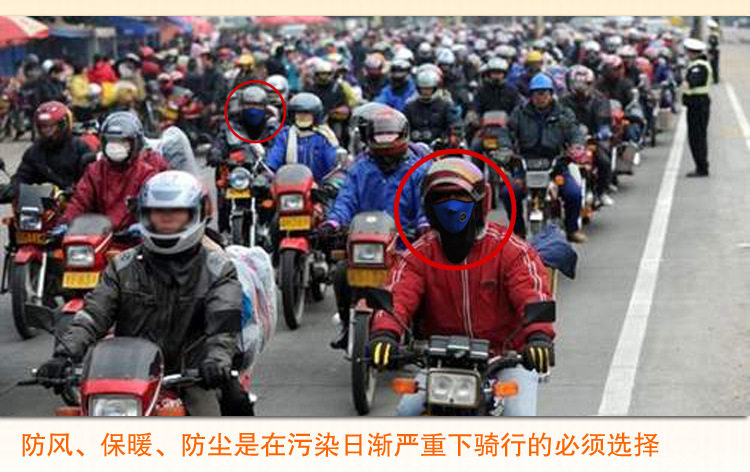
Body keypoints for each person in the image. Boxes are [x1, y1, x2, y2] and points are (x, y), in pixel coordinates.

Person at [36, 171, 250, 416]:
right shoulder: (122, 266)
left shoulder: (217, 269)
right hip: (129, 375)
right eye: (158, 212)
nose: (167, 219)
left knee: (217, 420)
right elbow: (94, 314)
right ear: (145, 215)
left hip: (193, 375)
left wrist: (216, 361)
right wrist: (64, 355)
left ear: (196, 214)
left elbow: (223, 326)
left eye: (176, 213)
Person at [368, 158, 556, 416]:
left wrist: (538, 337)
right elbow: (398, 293)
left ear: (480, 201)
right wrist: (384, 332)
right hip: (440, 361)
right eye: (442, 198)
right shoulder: (418, 254)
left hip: (504, 359)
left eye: (461, 196)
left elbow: (532, 294)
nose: (451, 205)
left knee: (519, 419)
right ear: (429, 206)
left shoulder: (511, 250)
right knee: (406, 413)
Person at [320, 107, 429, 350]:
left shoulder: (419, 170)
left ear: (403, 135)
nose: (385, 141)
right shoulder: (360, 168)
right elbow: (346, 200)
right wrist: (333, 222)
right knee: (340, 274)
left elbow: (425, 204)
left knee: (422, 281)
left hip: (404, 246)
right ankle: (347, 325)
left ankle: (421, 331)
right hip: (366, 245)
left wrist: (424, 226)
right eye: (380, 136)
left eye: (390, 135)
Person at [54, 111, 168, 234]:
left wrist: (144, 226)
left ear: (135, 144)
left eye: (123, 142)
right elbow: (80, 202)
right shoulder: (95, 170)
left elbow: (156, 209)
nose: (116, 147)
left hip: (132, 239)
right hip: (99, 236)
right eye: (112, 141)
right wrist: (65, 223)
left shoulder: (147, 173)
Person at [508, 73, 587, 243]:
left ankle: (572, 229)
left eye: (544, 93)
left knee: (573, 194)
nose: (541, 97)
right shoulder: (519, 113)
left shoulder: (563, 114)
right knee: (508, 193)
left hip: (556, 165)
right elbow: (507, 132)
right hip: (525, 166)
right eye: (537, 93)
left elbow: (574, 132)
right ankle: (517, 231)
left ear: (551, 94)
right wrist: (504, 147)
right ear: (531, 95)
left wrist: (577, 146)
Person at [0, 101, 94, 203]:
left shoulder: (80, 148)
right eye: (43, 127)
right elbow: (23, 175)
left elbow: (90, 180)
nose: (46, 131)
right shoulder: (34, 151)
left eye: (51, 126)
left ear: (63, 126)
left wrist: (74, 190)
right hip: (42, 205)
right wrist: (13, 188)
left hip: (75, 203)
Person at [559, 65, 616, 206]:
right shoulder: (563, 101)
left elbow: (604, 118)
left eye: (586, 84)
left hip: (591, 139)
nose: (582, 88)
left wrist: (603, 131)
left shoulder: (600, 100)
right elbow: (558, 118)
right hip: (569, 141)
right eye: (578, 84)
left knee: (604, 161)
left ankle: (602, 192)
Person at [265, 93, 338, 184]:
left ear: (315, 116)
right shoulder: (284, 135)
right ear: (293, 116)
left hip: (317, 186)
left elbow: (332, 163)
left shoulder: (324, 136)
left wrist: (332, 180)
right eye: (299, 114)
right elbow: (276, 155)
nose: (303, 117)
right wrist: (267, 172)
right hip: (287, 184)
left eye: (307, 114)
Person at [403, 68, 460, 146]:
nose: (425, 92)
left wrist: (453, 136)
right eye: (423, 89)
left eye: (428, 89)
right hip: (414, 146)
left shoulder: (446, 105)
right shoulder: (409, 106)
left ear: (435, 88)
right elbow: (403, 126)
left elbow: (455, 123)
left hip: (440, 146)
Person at [682, 38, 712, 178]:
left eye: (688, 52)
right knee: (696, 136)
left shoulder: (698, 66)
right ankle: (701, 166)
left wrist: (686, 83)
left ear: (693, 53)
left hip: (698, 104)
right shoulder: (697, 64)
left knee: (697, 137)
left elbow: (693, 82)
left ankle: (702, 167)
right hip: (696, 104)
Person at [707, 19, 721, 83]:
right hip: (713, 51)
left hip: (713, 51)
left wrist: (711, 52)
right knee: (713, 65)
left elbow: (714, 43)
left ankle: (715, 79)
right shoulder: (714, 34)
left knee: (714, 65)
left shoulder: (714, 34)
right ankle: (714, 78)